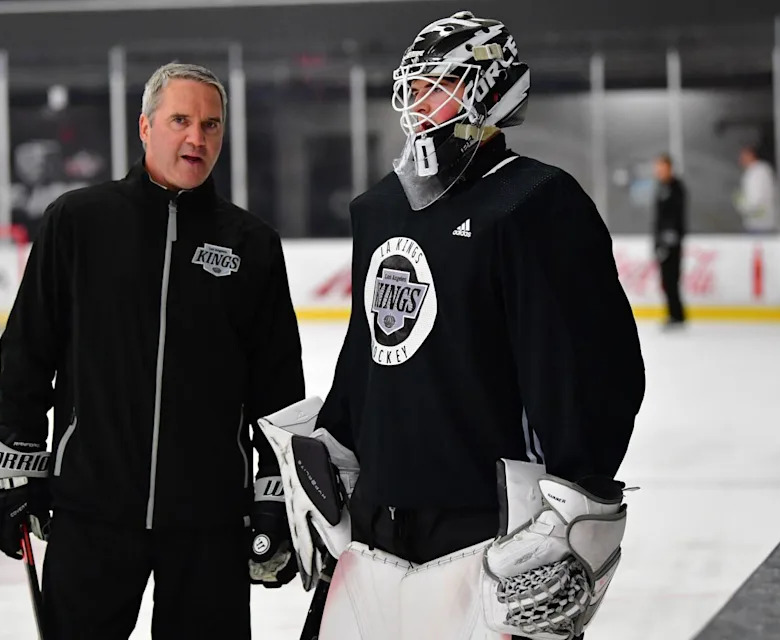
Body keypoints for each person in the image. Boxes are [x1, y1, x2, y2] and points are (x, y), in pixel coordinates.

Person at [257, 11, 645, 640]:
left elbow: (592, 371)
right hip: (378, 524)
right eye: (413, 87)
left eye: (440, 83)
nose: (418, 103)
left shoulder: (536, 204)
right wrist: (335, 441)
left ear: (491, 90)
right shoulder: (379, 208)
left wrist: (582, 497)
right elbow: (372, 349)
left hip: (488, 530)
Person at [0, 63, 305, 640]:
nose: (196, 138)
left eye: (211, 125)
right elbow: (29, 353)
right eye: (180, 120)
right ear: (146, 126)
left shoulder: (251, 246)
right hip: (91, 512)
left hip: (210, 525)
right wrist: (16, 455)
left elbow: (277, 388)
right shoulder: (78, 223)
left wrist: (276, 493)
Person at [653, 154, 686, 328]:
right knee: (666, 279)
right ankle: (674, 313)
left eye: (661, 167)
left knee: (671, 278)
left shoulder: (676, 188)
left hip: (671, 242)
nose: (658, 171)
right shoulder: (662, 187)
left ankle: (677, 314)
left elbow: (675, 217)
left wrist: (669, 238)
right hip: (662, 240)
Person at [734, 146, 778, 234]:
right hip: (766, 222)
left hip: (758, 225)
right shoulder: (764, 170)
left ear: (751, 155)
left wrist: (740, 202)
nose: (740, 159)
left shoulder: (755, 173)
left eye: (743, 156)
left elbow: (755, 200)